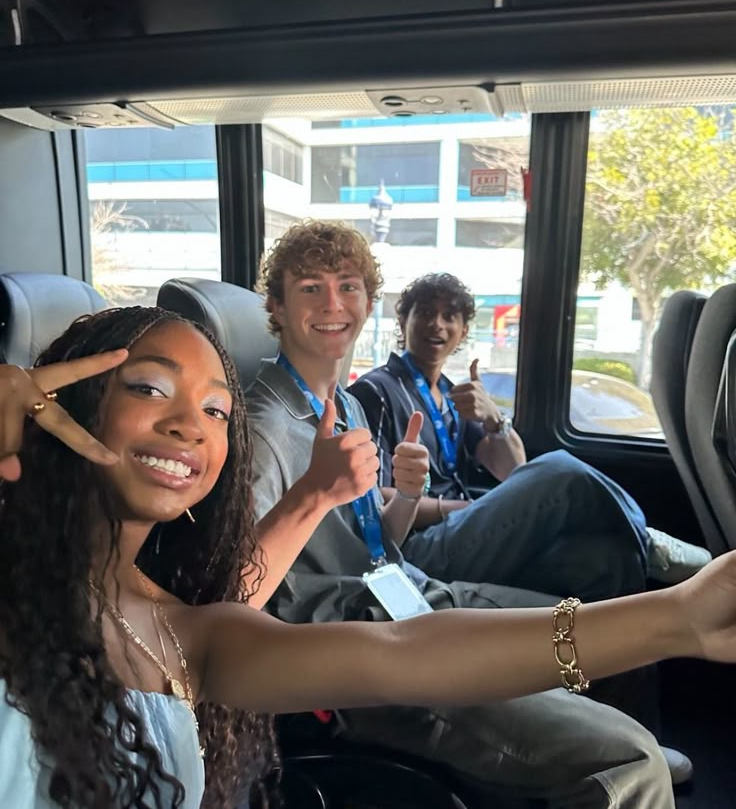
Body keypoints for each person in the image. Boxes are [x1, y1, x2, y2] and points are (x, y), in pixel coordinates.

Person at [3, 307, 736, 809]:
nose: (189, 424)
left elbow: (402, 651)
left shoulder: (187, 636)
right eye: (149, 387)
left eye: (216, 410)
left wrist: (679, 619)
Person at [246, 220, 702, 807]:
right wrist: (314, 491)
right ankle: (627, 732)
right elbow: (240, 596)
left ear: (368, 301)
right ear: (276, 307)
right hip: (359, 648)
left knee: (603, 628)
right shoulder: (262, 426)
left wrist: (406, 495)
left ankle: (613, 731)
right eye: (310, 288)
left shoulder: (348, 406)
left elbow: (375, 547)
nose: (333, 304)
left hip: (408, 592)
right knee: (630, 759)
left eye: (349, 286)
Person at [350, 272, 712, 596]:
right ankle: (649, 540)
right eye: (425, 313)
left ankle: (622, 665)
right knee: (561, 471)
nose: (437, 325)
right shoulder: (377, 391)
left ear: (462, 331)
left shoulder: (451, 393)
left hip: (462, 530)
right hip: (413, 547)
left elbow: (514, 470)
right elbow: (376, 498)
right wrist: (468, 509)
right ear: (403, 320)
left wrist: (494, 419)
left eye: (450, 316)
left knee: (609, 559)